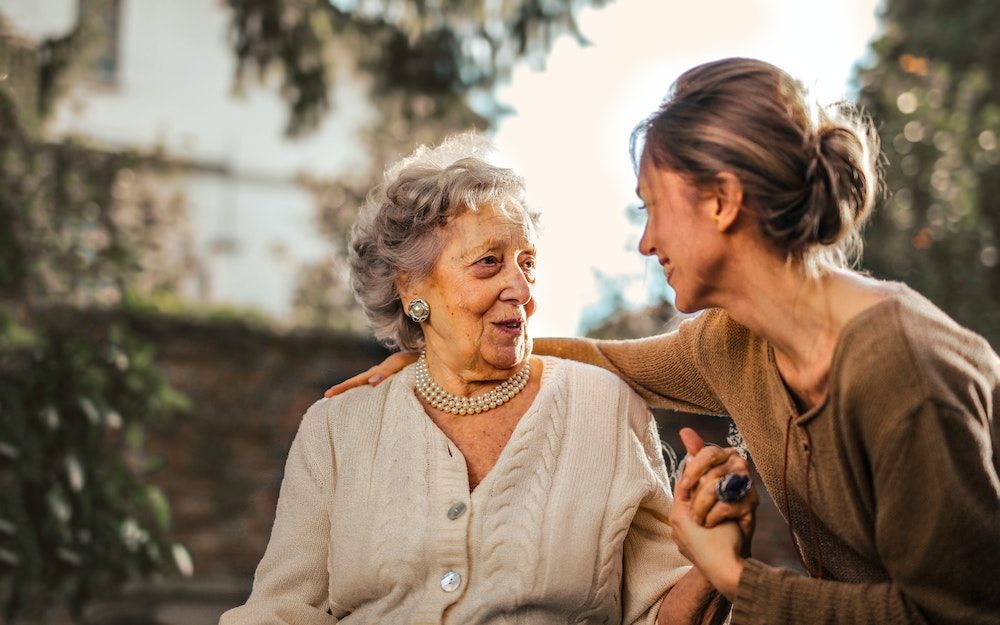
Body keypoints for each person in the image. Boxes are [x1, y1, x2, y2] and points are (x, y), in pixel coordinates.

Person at [326, 59, 1000, 624]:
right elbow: (601, 358)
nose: (646, 241)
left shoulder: (901, 370)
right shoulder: (734, 343)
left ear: (722, 200)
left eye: (651, 205)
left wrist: (734, 576)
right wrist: (439, 349)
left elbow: (958, 613)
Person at [220, 133, 755, 625]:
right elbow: (281, 611)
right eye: (488, 264)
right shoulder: (338, 428)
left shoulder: (605, 409)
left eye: (527, 263)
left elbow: (660, 615)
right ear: (412, 289)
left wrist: (714, 566)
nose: (521, 288)